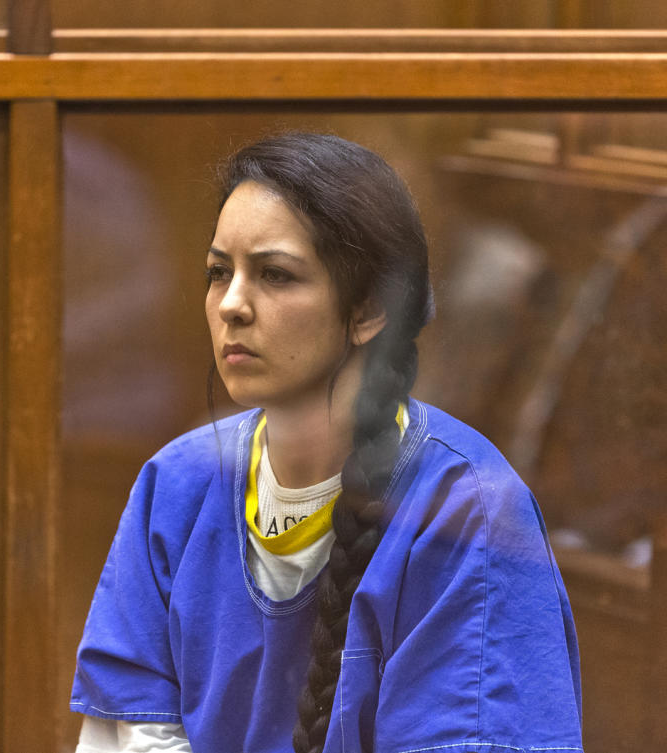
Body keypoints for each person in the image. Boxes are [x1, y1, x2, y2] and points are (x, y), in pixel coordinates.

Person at [69, 133, 583, 753]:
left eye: (275, 275)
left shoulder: (465, 506)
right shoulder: (176, 484)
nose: (231, 304)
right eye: (217, 272)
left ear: (368, 309)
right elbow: (124, 732)